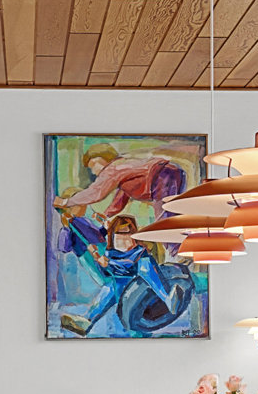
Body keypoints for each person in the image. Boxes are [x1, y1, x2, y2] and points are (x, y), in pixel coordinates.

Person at [56, 214, 184, 336]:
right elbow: (108, 273)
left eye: (127, 233)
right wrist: (101, 262)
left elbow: (128, 263)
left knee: (145, 265)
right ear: (113, 236)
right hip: (125, 291)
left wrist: (107, 262)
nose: (124, 238)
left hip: (143, 286)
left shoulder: (139, 252)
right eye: (119, 234)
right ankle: (88, 321)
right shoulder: (110, 253)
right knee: (110, 288)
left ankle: (167, 299)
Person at [52, 142, 187, 223]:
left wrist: (66, 202)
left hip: (162, 177)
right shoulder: (122, 172)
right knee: (172, 213)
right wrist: (106, 215)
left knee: (164, 218)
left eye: (93, 165)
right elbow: (121, 198)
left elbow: (96, 193)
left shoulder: (112, 168)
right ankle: (177, 250)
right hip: (172, 173)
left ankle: (174, 252)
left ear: (103, 159)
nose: (93, 172)